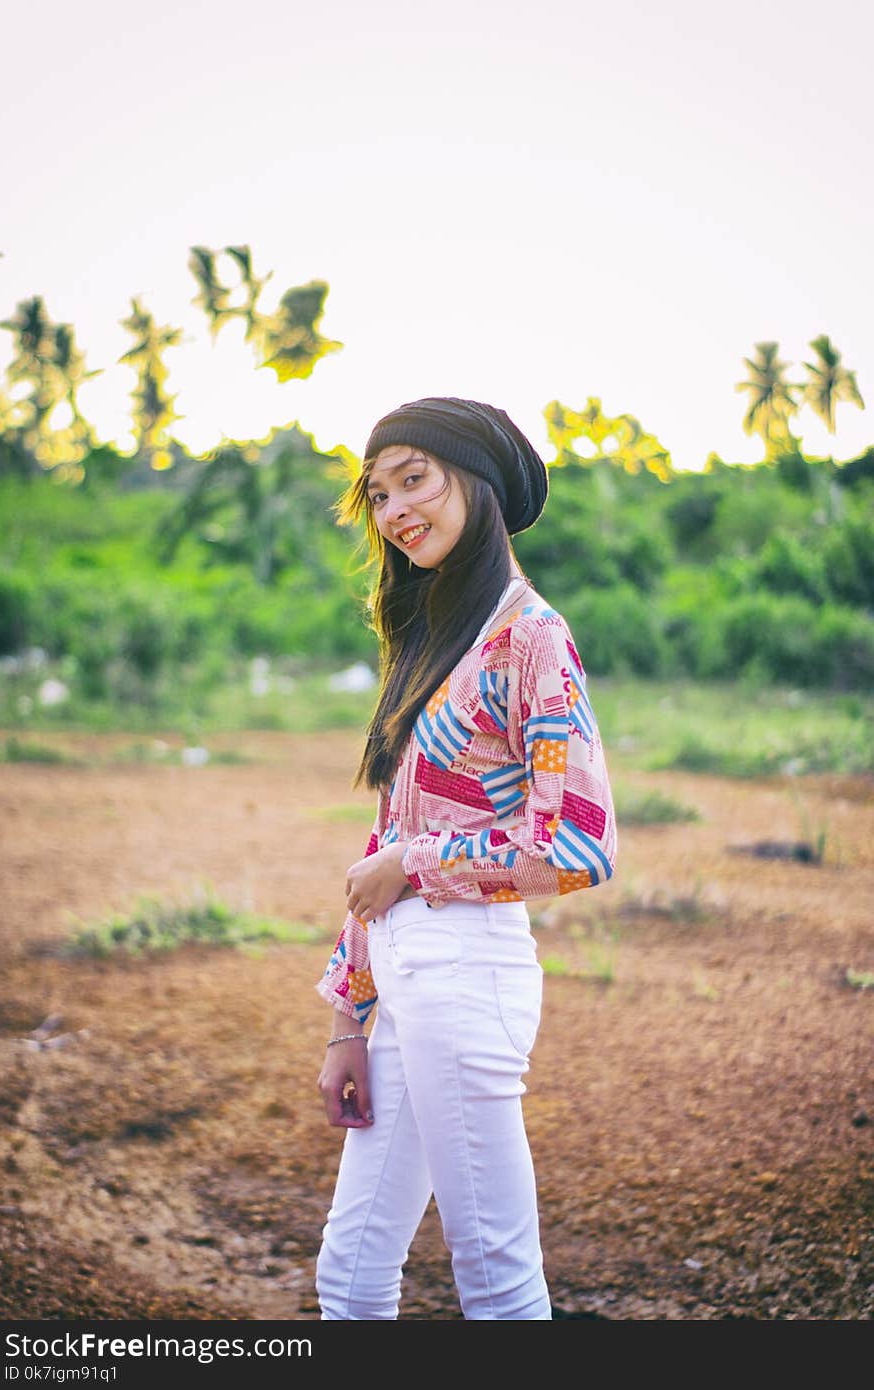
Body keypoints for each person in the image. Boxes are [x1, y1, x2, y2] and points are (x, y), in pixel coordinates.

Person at [314, 396, 617, 1320]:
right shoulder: (436, 639)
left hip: (467, 968)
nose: (397, 510)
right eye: (380, 494)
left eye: (417, 480)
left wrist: (419, 860)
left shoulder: (530, 638)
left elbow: (579, 842)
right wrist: (347, 1018)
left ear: (475, 484)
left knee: (493, 1274)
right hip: (406, 982)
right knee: (351, 1272)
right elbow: (383, 842)